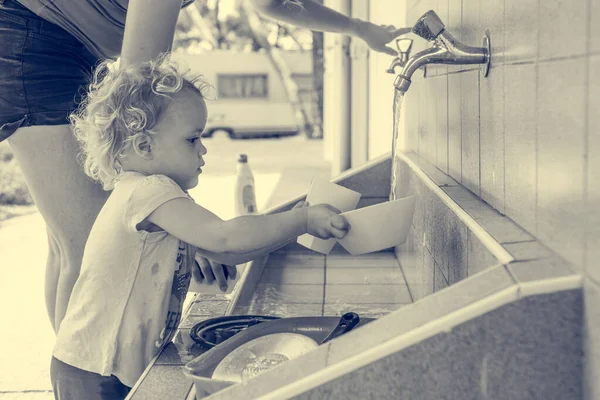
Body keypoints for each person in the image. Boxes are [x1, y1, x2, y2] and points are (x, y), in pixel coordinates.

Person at [0, 0, 409, 334]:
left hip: (61, 44)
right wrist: (187, 224)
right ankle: (84, 374)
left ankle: (76, 372)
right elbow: (141, 105)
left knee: (67, 241)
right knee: (84, 243)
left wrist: (359, 28)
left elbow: (276, 4)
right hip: (32, 42)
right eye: (196, 140)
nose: (203, 150)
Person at [49, 54, 350, 399]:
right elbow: (225, 237)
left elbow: (233, 254)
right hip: (92, 369)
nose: (203, 150)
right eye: (192, 140)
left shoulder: (155, 196)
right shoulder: (149, 191)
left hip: (99, 364)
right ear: (144, 146)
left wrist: (291, 228)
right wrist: (303, 218)